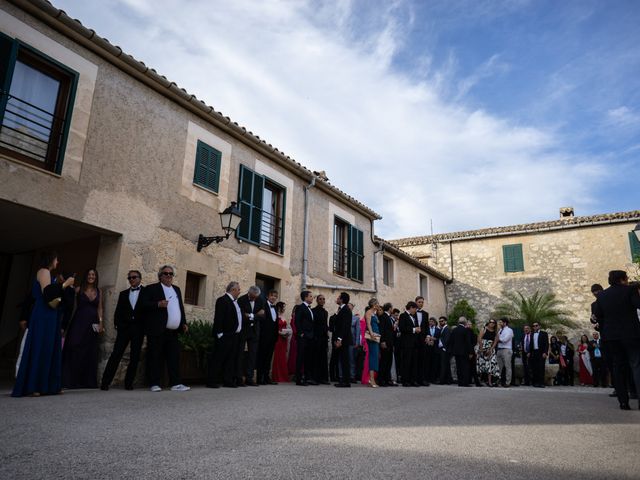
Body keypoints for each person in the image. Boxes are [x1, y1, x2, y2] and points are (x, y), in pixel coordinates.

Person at [13, 252, 74, 397]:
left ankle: (50, 385)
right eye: (56, 259)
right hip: (43, 315)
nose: (57, 262)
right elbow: (48, 293)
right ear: (51, 260)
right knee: (40, 346)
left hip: (51, 315)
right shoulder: (44, 271)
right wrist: (65, 284)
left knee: (50, 347)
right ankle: (34, 385)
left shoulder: (49, 274)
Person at [140, 265, 190, 392]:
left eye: (171, 274)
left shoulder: (177, 289)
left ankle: (176, 383)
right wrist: (157, 304)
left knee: (174, 357)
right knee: (155, 356)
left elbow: (180, 308)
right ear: (160, 276)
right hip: (157, 330)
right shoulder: (152, 289)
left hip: (173, 331)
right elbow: (143, 305)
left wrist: (183, 322)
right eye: (166, 273)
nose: (168, 276)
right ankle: (154, 383)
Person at [100, 270, 145, 390]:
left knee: (135, 356)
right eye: (129, 278)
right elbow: (118, 311)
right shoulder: (123, 294)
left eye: (134, 277)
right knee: (116, 354)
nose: (131, 279)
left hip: (138, 329)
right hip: (124, 329)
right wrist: (118, 325)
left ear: (140, 279)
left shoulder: (146, 292)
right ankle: (105, 382)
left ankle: (129, 383)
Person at [62, 268, 103, 389]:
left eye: (93, 275)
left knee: (89, 351)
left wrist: (101, 323)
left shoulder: (99, 291)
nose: (91, 276)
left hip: (92, 325)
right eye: (89, 274)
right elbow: (71, 306)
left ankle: (85, 382)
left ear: (96, 277)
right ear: (86, 276)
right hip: (78, 322)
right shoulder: (78, 289)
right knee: (73, 347)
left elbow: (100, 308)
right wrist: (65, 323)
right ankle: (68, 381)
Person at [208, 281, 243, 388]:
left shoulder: (235, 302)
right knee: (218, 358)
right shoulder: (223, 300)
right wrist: (220, 334)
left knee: (230, 359)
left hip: (234, 336)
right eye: (238, 289)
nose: (239, 291)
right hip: (225, 335)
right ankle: (211, 381)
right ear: (233, 290)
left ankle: (228, 380)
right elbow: (219, 318)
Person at [237, 286, 265, 386]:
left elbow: (263, 316)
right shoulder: (241, 300)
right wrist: (256, 315)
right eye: (252, 297)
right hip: (244, 330)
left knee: (252, 355)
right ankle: (239, 378)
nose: (254, 299)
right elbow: (241, 316)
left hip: (254, 331)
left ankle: (249, 378)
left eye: (255, 297)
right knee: (240, 354)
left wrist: (250, 315)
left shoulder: (260, 300)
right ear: (249, 293)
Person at [257, 289, 279, 385]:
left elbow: (275, 324)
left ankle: (266, 377)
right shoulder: (263, 306)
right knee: (261, 357)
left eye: (275, 296)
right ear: (267, 296)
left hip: (272, 337)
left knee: (269, 358)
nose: (273, 297)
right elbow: (261, 322)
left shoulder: (275, 308)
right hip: (263, 336)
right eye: (272, 295)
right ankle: (259, 378)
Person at [294, 290, 315, 386]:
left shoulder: (309, 308)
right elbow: (297, 321)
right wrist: (301, 333)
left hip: (310, 337)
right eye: (311, 296)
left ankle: (307, 377)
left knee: (308, 357)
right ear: (305, 297)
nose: (312, 298)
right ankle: (298, 379)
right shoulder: (300, 307)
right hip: (303, 336)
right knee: (300, 357)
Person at [334, 292, 353, 388]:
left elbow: (344, 326)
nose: (337, 299)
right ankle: (344, 380)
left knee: (345, 360)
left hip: (344, 339)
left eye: (338, 297)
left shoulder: (345, 310)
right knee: (342, 359)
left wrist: (339, 339)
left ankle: (346, 381)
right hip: (342, 338)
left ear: (341, 299)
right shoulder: (341, 309)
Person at [447, 317, 473, 387]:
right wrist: (471, 352)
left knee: (458, 367)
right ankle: (465, 382)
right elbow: (468, 342)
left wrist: (452, 350)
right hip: (464, 352)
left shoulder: (454, 330)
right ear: (465, 323)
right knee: (465, 367)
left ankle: (460, 382)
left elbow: (451, 341)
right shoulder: (466, 330)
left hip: (456, 352)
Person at [399, 301, 419, 387]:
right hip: (406, 343)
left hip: (413, 343)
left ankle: (412, 380)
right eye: (415, 309)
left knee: (413, 362)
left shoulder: (414, 317)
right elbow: (402, 328)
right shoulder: (403, 316)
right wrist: (414, 329)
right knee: (406, 362)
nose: (415, 311)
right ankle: (405, 380)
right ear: (410, 307)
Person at [311, 294, 330, 384]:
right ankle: (315, 378)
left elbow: (325, 325)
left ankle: (323, 378)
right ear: (317, 301)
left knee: (323, 358)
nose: (322, 300)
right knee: (315, 358)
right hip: (316, 337)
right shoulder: (313, 311)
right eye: (320, 299)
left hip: (323, 338)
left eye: (323, 299)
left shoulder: (325, 312)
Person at [271, 301, 291, 383]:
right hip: (278, 338)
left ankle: (283, 376)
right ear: (279, 307)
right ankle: (277, 376)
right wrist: (280, 333)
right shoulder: (275, 316)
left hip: (284, 339)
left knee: (283, 357)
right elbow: (274, 328)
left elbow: (285, 327)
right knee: (278, 357)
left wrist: (287, 333)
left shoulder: (283, 316)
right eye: (283, 307)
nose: (284, 309)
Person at [476, 319, 499, 387]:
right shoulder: (484, 329)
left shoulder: (495, 332)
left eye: (493, 322)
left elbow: (495, 341)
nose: (492, 324)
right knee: (481, 365)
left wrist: (491, 349)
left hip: (490, 348)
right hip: (482, 347)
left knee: (491, 365)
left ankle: (490, 382)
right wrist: (481, 348)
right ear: (488, 323)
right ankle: (480, 381)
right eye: (490, 322)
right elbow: (479, 338)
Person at [364, 298, 381, 387]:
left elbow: (377, 322)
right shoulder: (369, 312)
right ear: (374, 304)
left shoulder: (375, 313)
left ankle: (372, 378)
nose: (379, 305)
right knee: (373, 357)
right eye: (377, 304)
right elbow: (368, 324)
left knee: (375, 356)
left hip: (376, 336)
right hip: (372, 336)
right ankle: (371, 379)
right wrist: (371, 334)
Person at [378, 302, 395, 387]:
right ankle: (381, 380)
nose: (392, 309)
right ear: (389, 308)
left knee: (389, 362)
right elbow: (382, 329)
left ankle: (387, 379)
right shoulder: (383, 317)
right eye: (392, 308)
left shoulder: (389, 317)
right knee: (384, 362)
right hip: (385, 342)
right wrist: (382, 341)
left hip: (390, 342)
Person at [415, 296, 430, 386]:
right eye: (419, 302)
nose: (421, 303)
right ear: (416, 302)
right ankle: (415, 379)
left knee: (423, 359)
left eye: (422, 302)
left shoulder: (425, 314)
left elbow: (426, 326)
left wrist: (428, 335)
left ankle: (422, 379)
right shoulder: (412, 313)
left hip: (422, 339)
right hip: (414, 339)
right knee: (415, 360)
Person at [530, 322, 549, 388]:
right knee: (535, 368)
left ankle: (541, 383)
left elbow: (546, 344)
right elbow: (531, 344)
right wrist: (530, 352)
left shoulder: (544, 333)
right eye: (533, 326)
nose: (535, 327)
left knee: (541, 367)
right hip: (534, 352)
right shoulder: (532, 334)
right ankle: (535, 382)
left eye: (536, 325)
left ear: (539, 326)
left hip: (541, 352)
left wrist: (545, 352)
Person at [496, 318, 514, 388]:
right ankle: (498, 381)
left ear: (505, 323)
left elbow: (505, 340)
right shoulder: (500, 330)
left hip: (506, 350)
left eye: (501, 322)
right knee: (498, 367)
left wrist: (498, 339)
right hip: (499, 349)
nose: (499, 324)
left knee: (507, 367)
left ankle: (507, 382)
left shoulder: (509, 330)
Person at [437, 316, 452, 385]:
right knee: (445, 365)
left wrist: (443, 346)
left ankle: (442, 380)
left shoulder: (447, 329)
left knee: (443, 365)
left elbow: (448, 339)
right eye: (439, 321)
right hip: (442, 349)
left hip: (445, 349)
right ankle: (448, 380)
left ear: (445, 321)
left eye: (442, 321)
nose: (440, 322)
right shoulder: (442, 329)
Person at [425, 317, 440, 383]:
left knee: (434, 364)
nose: (431, 322)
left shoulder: (438, 330)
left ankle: (433, 378)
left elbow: (439, 338)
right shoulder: (426, 329)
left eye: (432, 321)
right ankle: (427, 378)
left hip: (435, 348)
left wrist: (435, 339)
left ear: (435, 322)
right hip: (428, 348)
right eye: (430, 321)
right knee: (427, 363)